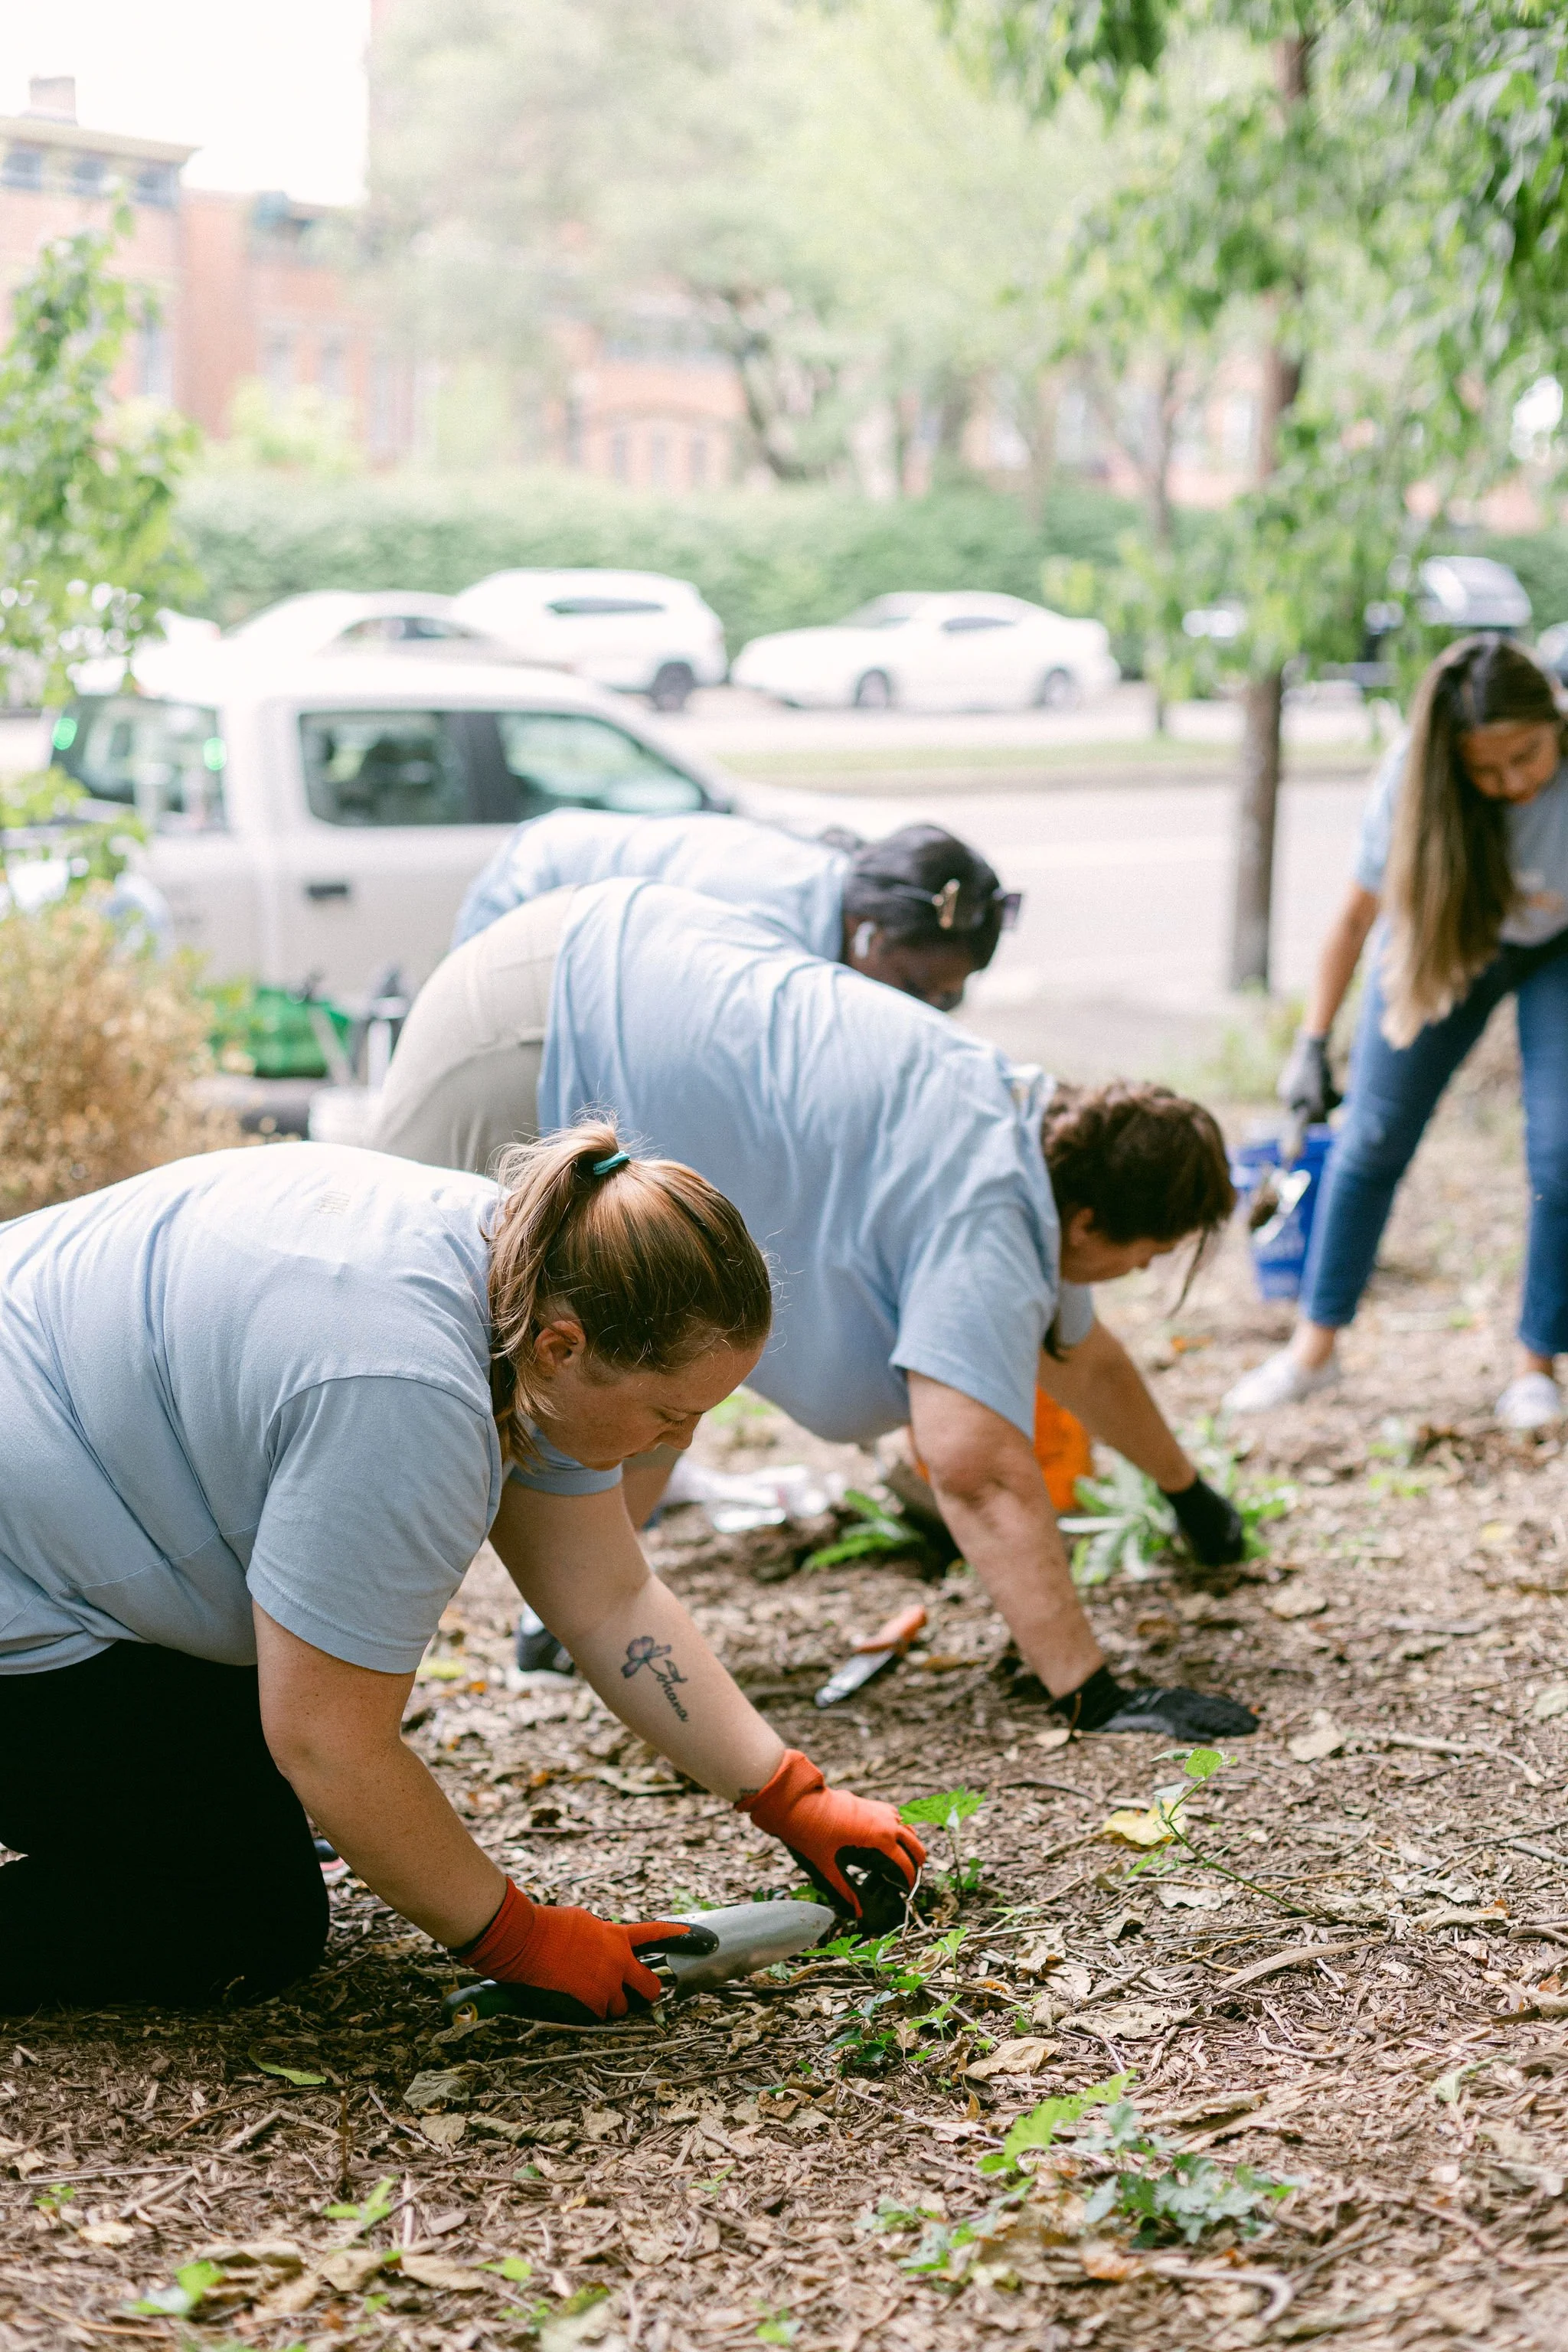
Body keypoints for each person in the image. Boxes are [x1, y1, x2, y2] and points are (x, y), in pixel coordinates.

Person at [0, 1127, 923, 2014]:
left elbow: (606, 1597)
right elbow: (328, 1739)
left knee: (262, 1807)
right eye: (670, 1413)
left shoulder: (536, 1273)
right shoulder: (405, 1393)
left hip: (53, 1512)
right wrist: (514, 1938)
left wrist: (791, 1796)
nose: (680, 1445)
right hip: (21, 1586)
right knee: (245, 1915)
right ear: (567, 1350)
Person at [374, 878, 1257, 1737]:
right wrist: (1089, 1692)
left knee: (650, 1368)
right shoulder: (987, 1203)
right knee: (433, 1381)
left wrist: (1188, 1496)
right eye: (1145, 1256)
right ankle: (334, 1704)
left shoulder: (1026, 1132)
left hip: (599, 958)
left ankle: (561, 1625)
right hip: (523, 1026)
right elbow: (974, 1469)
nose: (1138, 1274)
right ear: (1093, 1220)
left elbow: (1082, 1358)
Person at [1226, 635, 1568, 1429]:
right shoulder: (1413, 783)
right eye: (1485, 771)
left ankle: (1533, 1366)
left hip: (1558, 951)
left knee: (1559, 1151)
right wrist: (1310, 1044)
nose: (1511, 784)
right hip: (1452, 936)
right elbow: (1352, 917)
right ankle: (1312, 1351)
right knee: (1370, 1139)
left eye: (1525, 756)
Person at [452, 808, 1019, 1011]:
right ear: (872, 935)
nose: (924, 1010)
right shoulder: (764, 937)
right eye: (917, 988)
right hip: (530, 902)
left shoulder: (835, 890)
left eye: (947, 1000)